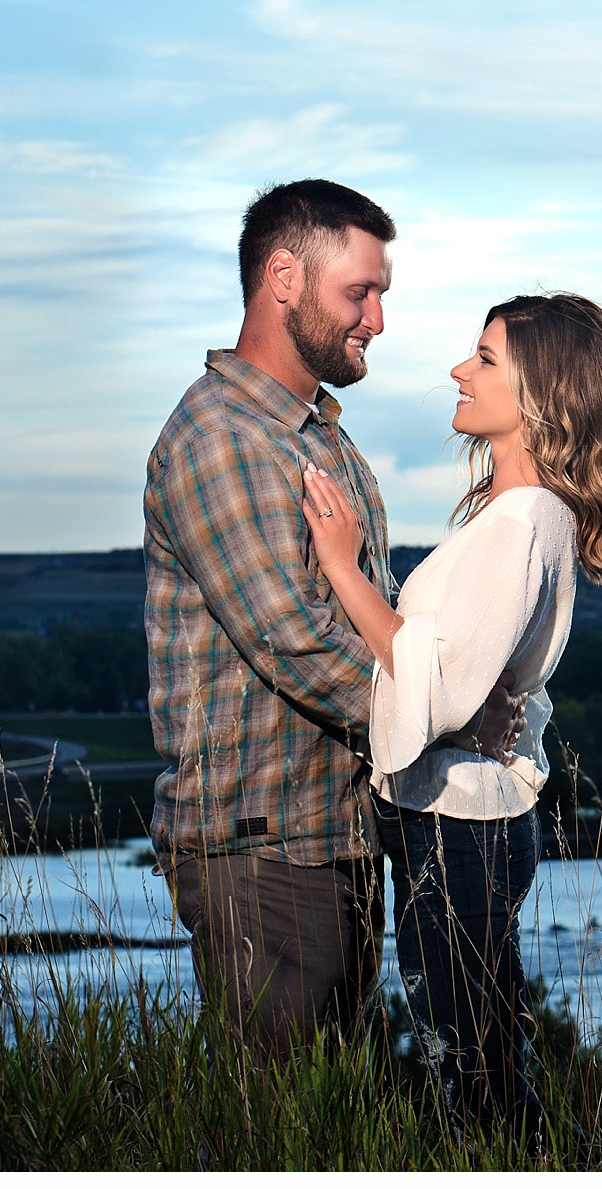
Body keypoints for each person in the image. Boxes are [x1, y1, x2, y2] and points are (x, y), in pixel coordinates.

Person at [143, 178, 520, 1060]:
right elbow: (298, 642)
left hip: (329, 839)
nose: (377, 320)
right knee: (283, 1132)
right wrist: (450, 714)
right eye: (361, 291)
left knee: (334, 1122)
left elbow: (364, 616)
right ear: (283, 278)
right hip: (260, 849)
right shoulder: (223, 438)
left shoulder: (315, 438)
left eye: (379, 294)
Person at [301, 292, 602, 1150]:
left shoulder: (523, 523)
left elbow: (446, 681)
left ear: (544, 394)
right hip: (467, 824)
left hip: (461, 830)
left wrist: (343, 571)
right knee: (482, 1060)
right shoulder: (517, 517)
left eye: (486, 359)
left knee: (478, 1076)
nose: (460, 369)